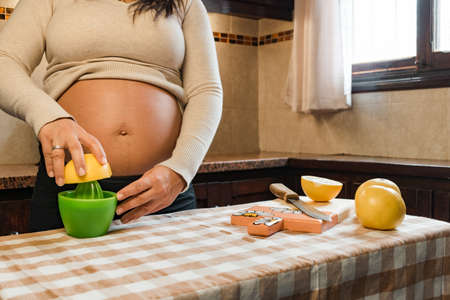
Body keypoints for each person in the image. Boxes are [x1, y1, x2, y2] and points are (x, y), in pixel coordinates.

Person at [0, 0, 223, 231]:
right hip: (69, 187)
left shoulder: (184, 3)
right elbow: (4, 62)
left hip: (164, 190)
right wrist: (48, 117)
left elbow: (206, 90)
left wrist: (181, 169)